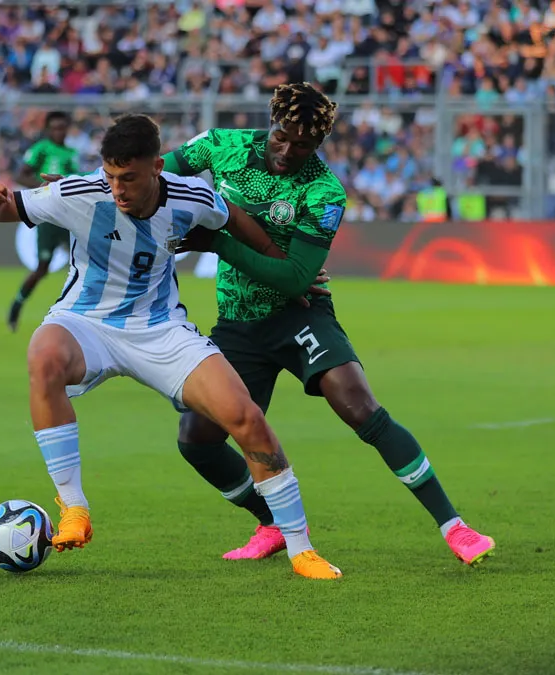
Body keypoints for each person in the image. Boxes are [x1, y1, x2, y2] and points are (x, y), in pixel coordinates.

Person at [0, 113, 343, 580]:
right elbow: (5, 209)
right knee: (43, 355)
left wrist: (289, 269)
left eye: (129, 178)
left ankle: (300, 548)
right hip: (85, 322)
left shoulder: (193, 196)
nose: (117, 189)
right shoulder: (80, 193)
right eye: (110, 176)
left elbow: (237, 222)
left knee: (246, 417)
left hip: (160, 329)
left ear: (157, 168)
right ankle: (73, 506)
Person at [166, 82, 496, 566]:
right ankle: (272, 523)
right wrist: (77, 186)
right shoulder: (222, 145)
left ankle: (456, 528)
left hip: (298, 316)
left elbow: (297, 278)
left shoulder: (324, 191)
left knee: (358, 403)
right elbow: (153, 173)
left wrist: (216, 242)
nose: (288, 150)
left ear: (319, 144)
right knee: (196, 440)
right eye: (282, 136)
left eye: (303, 145)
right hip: (238, 323)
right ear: (272, 122)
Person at [7, 111, 82, 333]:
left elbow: (77, 180)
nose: (59, 131)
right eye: (55, 127)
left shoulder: (72, 153)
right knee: (41, 268)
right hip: (49, 217)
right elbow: (21, 175)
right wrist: (44, 187)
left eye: (62, 127)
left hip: (69, 217)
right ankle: (17, 305)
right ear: (48, 129)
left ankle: (77, 315)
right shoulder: (41, 149)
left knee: (83, 263)